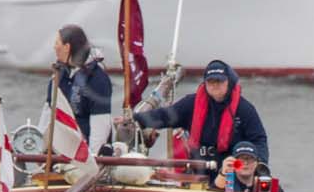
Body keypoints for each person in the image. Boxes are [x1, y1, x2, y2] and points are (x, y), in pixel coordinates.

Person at [122, 58, 270, 167]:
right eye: (211, 82)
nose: (215, 86)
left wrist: (261, 164)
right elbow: (164, 116)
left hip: (232, 172)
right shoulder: (191, 104)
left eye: (219, 81)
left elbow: (259, 139)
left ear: (229, 82)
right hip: (199, 170)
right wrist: (136, 119)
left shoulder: (244, 110)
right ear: (205, 83)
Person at [54, 25, 113, 143]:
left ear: (67, 47)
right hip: (62, 146)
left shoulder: (97, 79)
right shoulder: (59, 74)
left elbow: (101, 125)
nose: (54, 47)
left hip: (86, 150)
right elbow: (48, 112)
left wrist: (92, 157)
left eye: (57, 43)